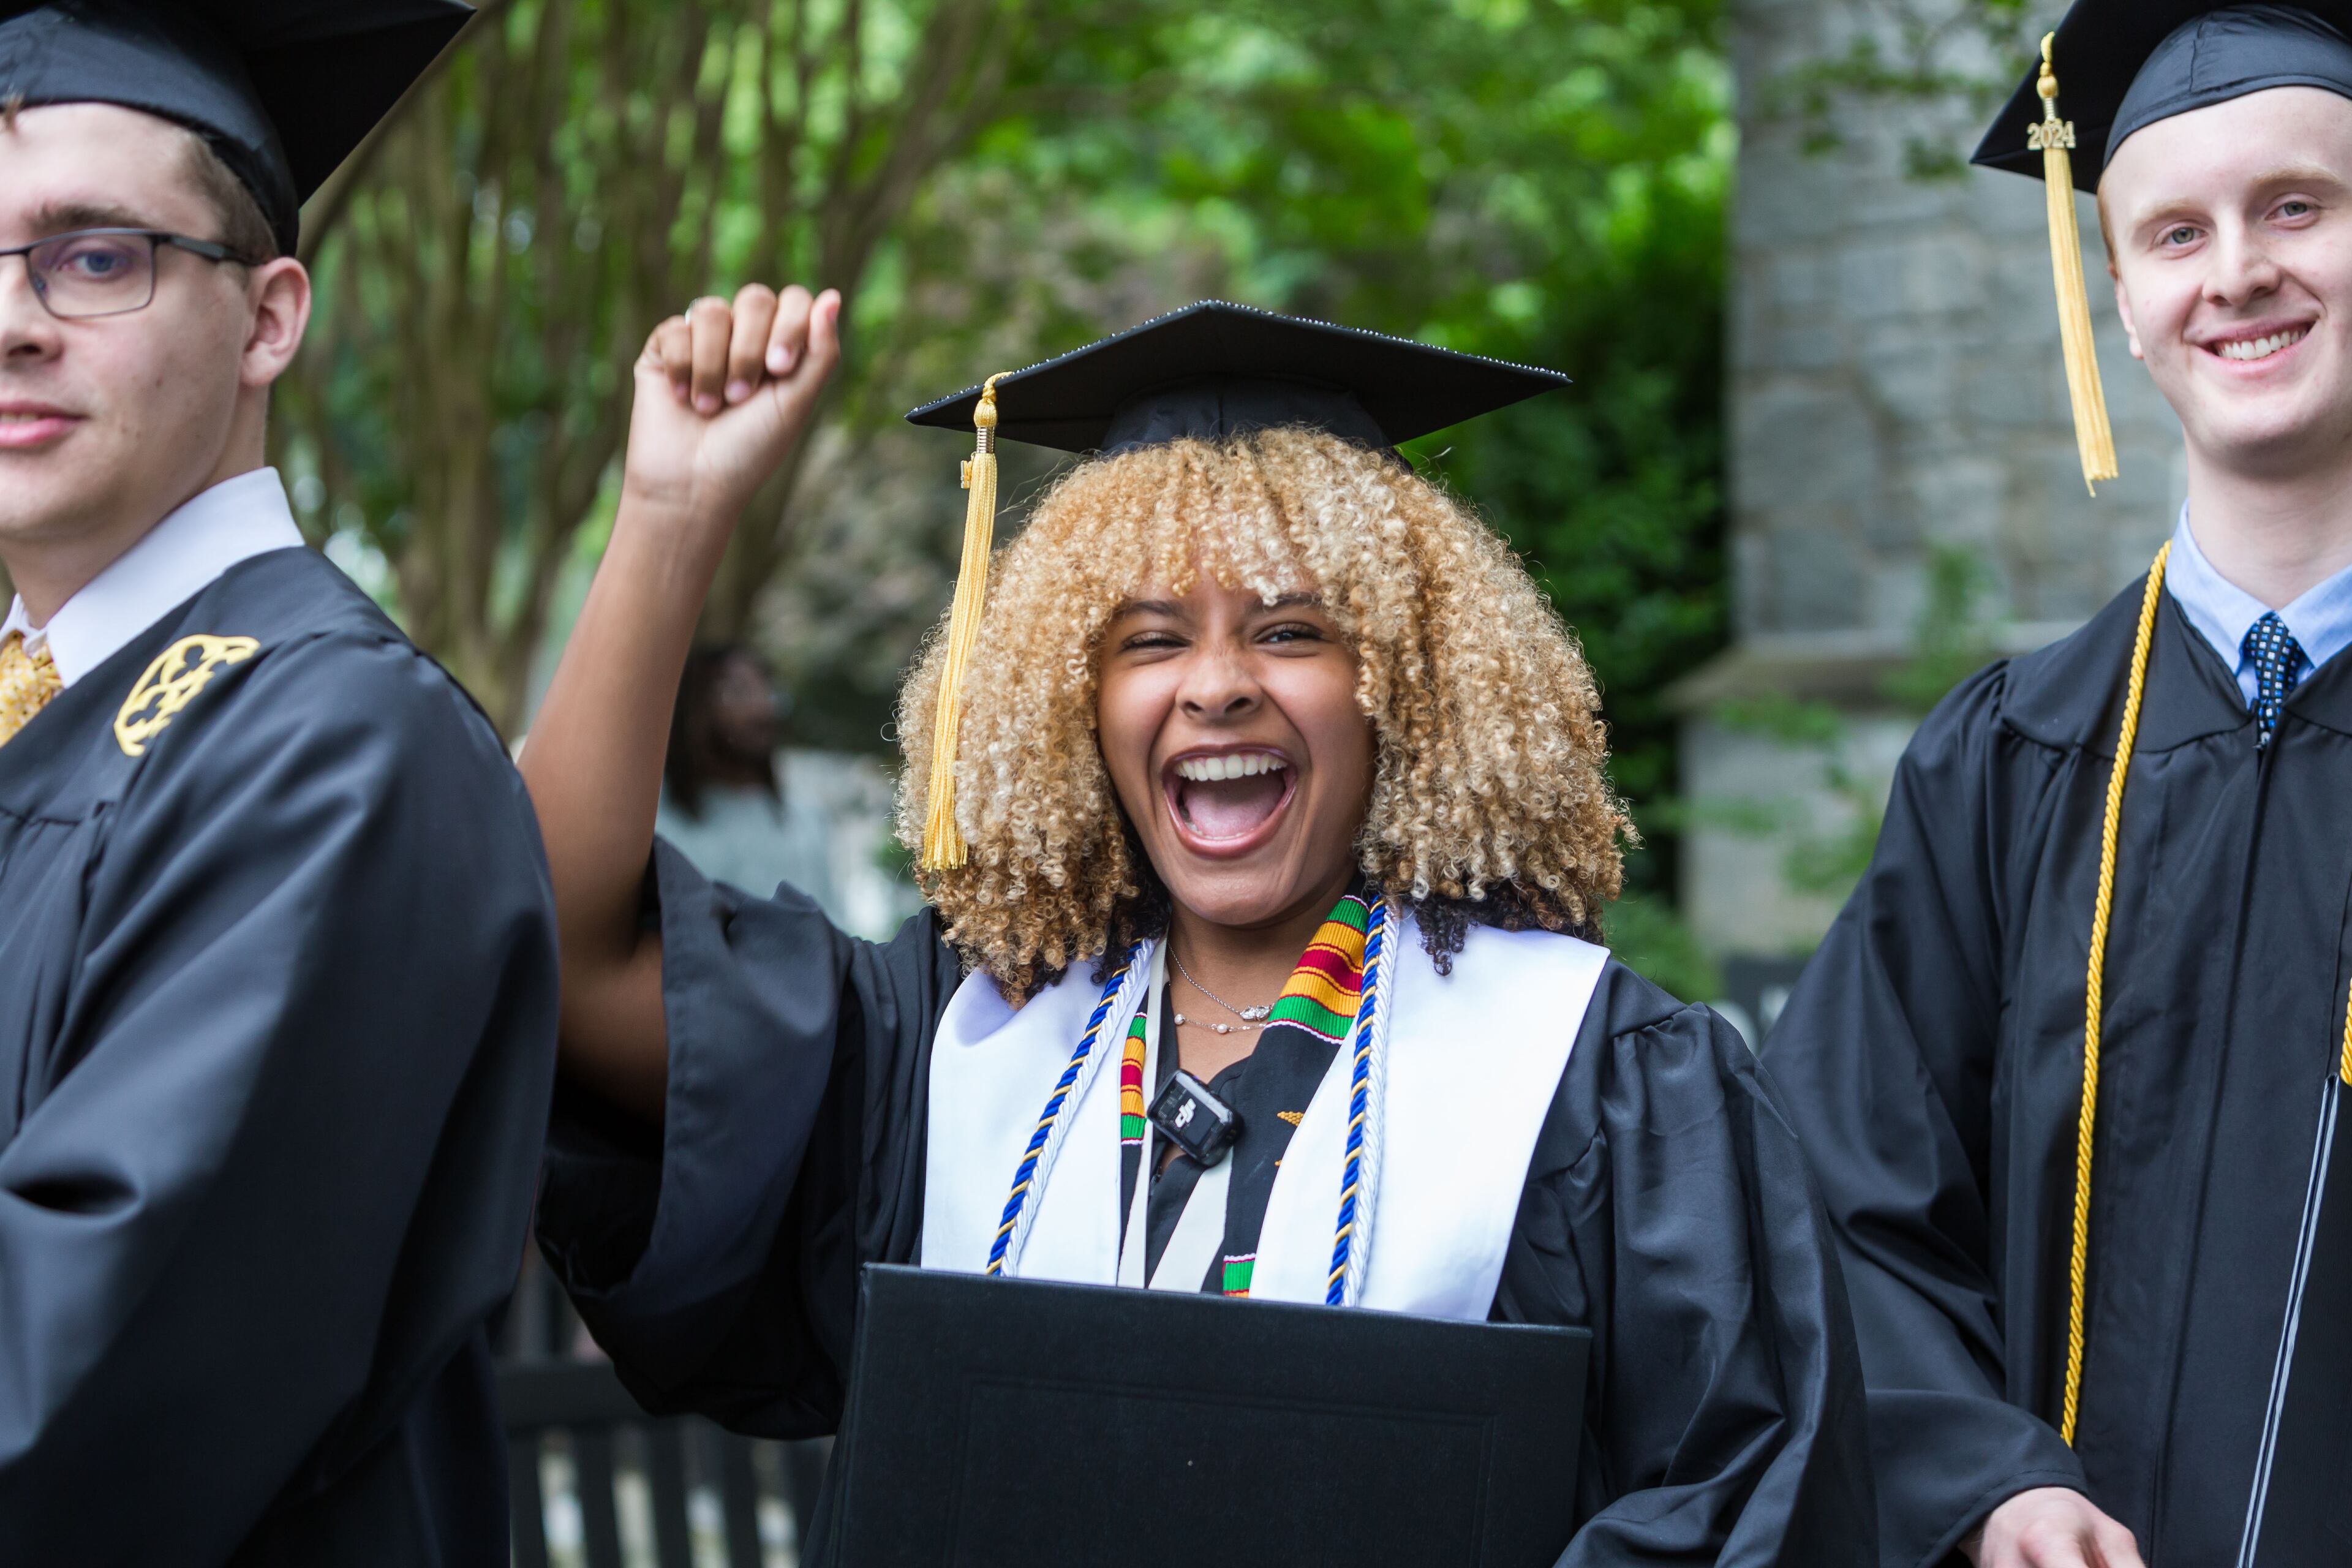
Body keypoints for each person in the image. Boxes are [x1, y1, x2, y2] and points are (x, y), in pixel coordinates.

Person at [523, 293, 1875, 1564]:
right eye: (1147, 639)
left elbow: (1745, 1509)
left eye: (1292, 629)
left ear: (1408, 679)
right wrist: (668, 512)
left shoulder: (1600, 1084)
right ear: (1069, 697)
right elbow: (571, 956)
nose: (1217, 686)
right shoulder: (949, 1043)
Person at [1764, 4, 2352, 1564]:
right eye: (2174, 232)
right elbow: (1840, 1194)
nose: (2235, 271)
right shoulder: (2007, 762)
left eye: (2295, 205)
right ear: (2124, 300)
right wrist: (1981, 1479)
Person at [0, 4, 558, 1562]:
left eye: (93, 256)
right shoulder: (39, 714)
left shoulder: (333, 748)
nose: (14, 322)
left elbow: (76, 1387)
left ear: (269, 318)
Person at [655, 641, 841, 913]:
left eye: (768, 691)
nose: (761, 708)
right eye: (738, 692)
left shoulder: (803, 821)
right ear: (694, 707)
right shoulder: (661, 824)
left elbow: (834, 926)